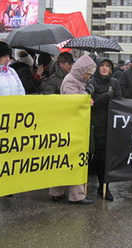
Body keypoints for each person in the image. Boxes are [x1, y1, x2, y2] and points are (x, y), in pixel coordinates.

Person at [48, 55, 96, 205]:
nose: (89, 76)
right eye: (88, 73)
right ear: (82, 70)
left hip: (71, 125)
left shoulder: (77, 80)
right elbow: (72, 103)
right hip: (72, 125)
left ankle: (57, 191)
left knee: (64, 160)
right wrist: (86, 96)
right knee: (75, 160)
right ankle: (77, 195)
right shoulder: (70, 81)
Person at [87, 57, 122, 201]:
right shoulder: (91, 82)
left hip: (110, 124)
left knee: (108, 157)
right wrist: (105, 97)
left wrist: (114, 99)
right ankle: (100, 183)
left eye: (107, 65)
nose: (105, 68)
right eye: (102, 65)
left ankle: (105, 186)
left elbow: (120, 101)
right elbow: (91, 103)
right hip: (97, 124)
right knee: (98, 157)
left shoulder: (114, 82)